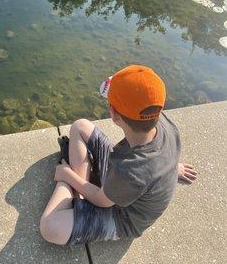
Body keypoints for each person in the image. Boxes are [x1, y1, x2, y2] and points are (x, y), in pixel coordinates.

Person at [39, 64, 197, 246]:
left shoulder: (131, 170)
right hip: (125, 181)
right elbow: (160, 157)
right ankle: (80, 197)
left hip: (123, 216)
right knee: (80, 126)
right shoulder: (163, 121)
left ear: (114, 115)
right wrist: (171, 168)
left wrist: (67, 175)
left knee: (49, 227)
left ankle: (74, 191)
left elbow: (102, 201)